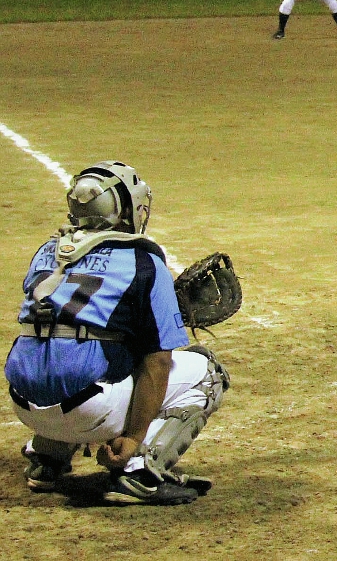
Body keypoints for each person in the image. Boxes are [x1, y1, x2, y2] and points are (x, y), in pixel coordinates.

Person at [5, 162, 230, 505]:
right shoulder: (143, 261)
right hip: (87, 410)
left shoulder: (47, 252)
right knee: (207, 371)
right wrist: (134, 436)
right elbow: (156, 363)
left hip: (22, 402)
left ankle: (47, 458)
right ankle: (139, 472)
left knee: (61, 342)